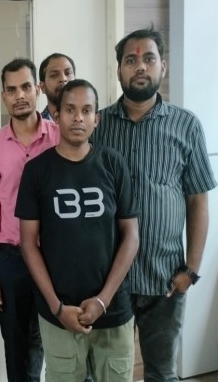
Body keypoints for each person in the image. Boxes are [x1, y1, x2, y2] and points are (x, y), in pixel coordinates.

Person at [91, 27, 217, 381]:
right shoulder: (98, 126)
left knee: (161, 374)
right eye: (130, 60)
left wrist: (191, 270)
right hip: (109, 279)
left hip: (165, 278)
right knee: (106, 373)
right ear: (119, 69)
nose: (140, 67)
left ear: (163, 65)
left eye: (149, 58)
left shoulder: (186, 125)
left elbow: (198, 201)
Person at [16, 79, 140, 381]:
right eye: (70, 110)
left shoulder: (113, 163)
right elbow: (28, 244)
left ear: (97, 119)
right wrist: (57, 308)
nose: (78, 118)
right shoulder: (36, 171)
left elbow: (131, 236)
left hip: (113, 309)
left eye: (86, 111)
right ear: (57, 116)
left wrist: (102, 300)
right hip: (59, 312)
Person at [0, 58, 57, 382]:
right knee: (15, 345)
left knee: (54, 340)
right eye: (11, 90)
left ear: (38, 89)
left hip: (54, 256)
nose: (20, 95)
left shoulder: (59, 137)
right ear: (4, 96)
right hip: (11, 258)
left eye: (26, 87)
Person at [38, 53, 76, 121]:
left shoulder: (89, 124)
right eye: (54, 75)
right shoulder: (35, 126)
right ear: (43, 87)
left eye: (68, 73)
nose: (63, 79)